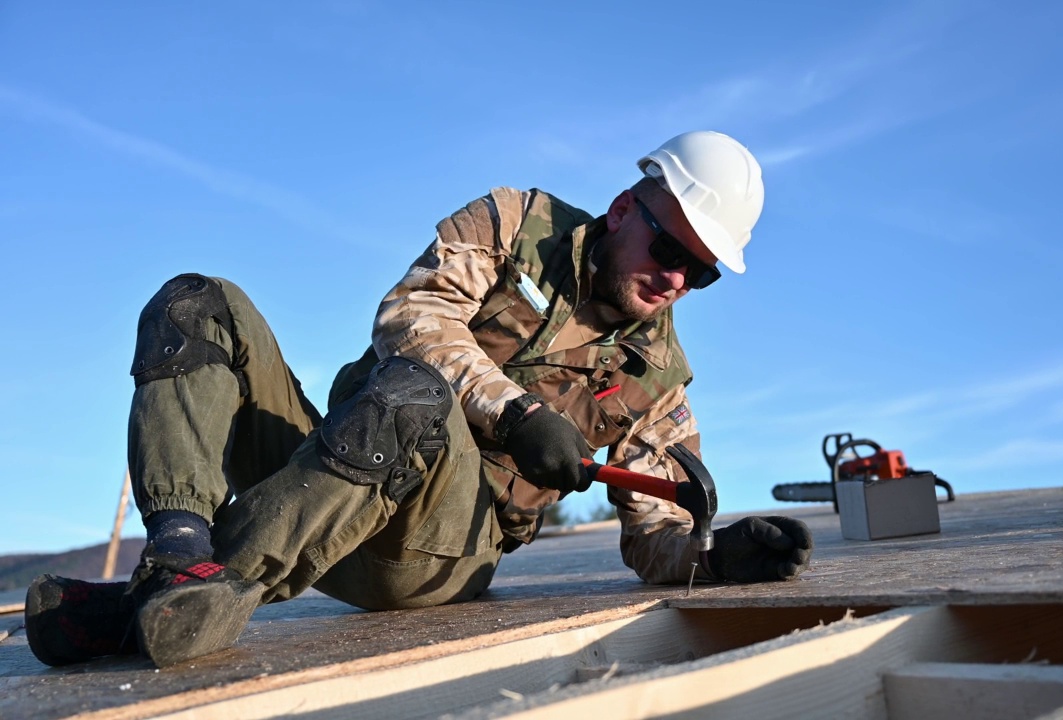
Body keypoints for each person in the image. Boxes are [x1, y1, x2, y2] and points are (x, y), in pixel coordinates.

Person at [25, 130, 814, 668]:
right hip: (327, 470)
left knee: (417, 398)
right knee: (197, 304)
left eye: (700, 273)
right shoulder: (511, 224)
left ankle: (185, 601)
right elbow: (412, 316)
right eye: (671, 248)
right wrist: (516, 411)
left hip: (433, 557)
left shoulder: (658, 379)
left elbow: (659, 538)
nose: (676, 279)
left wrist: (716, 562)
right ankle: (178, 559)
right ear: (620, 210)